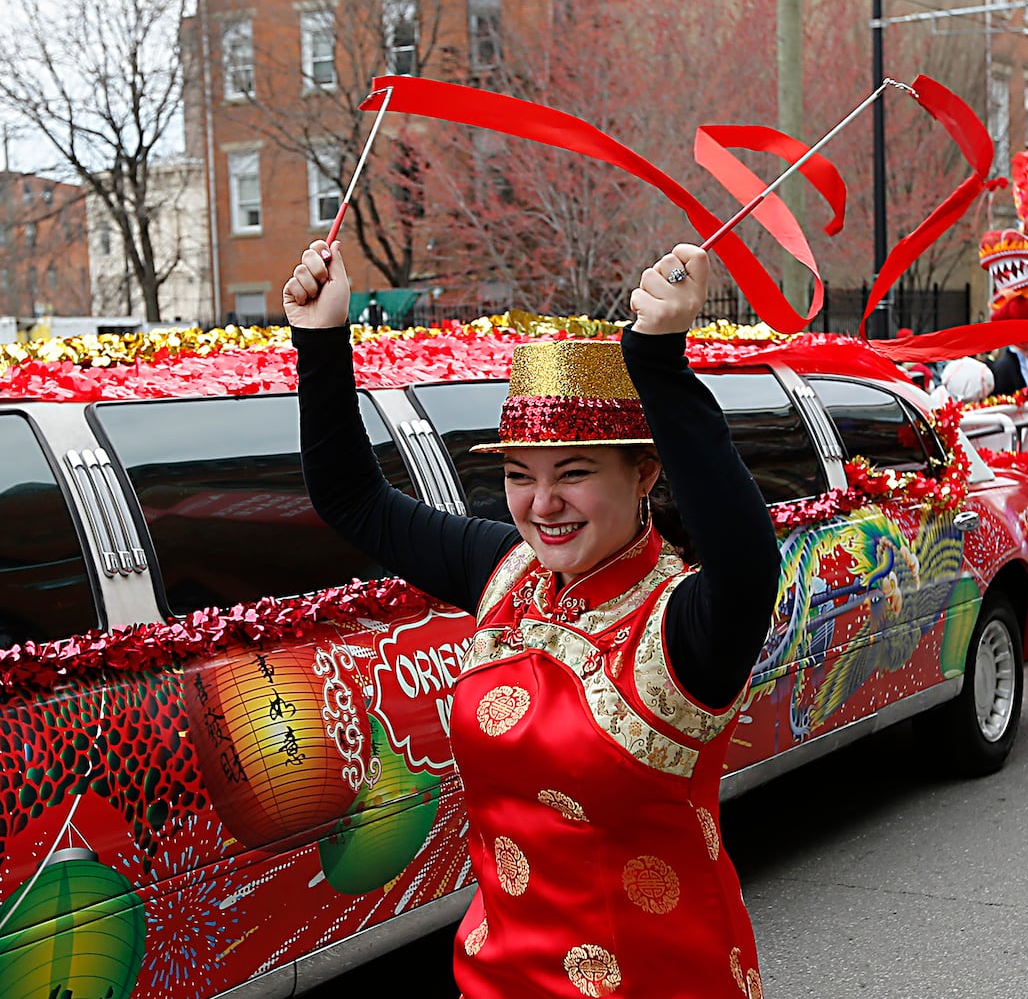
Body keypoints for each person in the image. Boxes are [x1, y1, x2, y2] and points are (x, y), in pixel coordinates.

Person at [282, 238, 781, 998]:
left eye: (573, 475)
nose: (541, 506)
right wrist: (320, 340)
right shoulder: (506, 573)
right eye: (519, 477)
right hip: (496, 978)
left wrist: (659, 364)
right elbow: (354, 501)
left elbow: (746, 558)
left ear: (644, 472)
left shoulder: (682, 624)